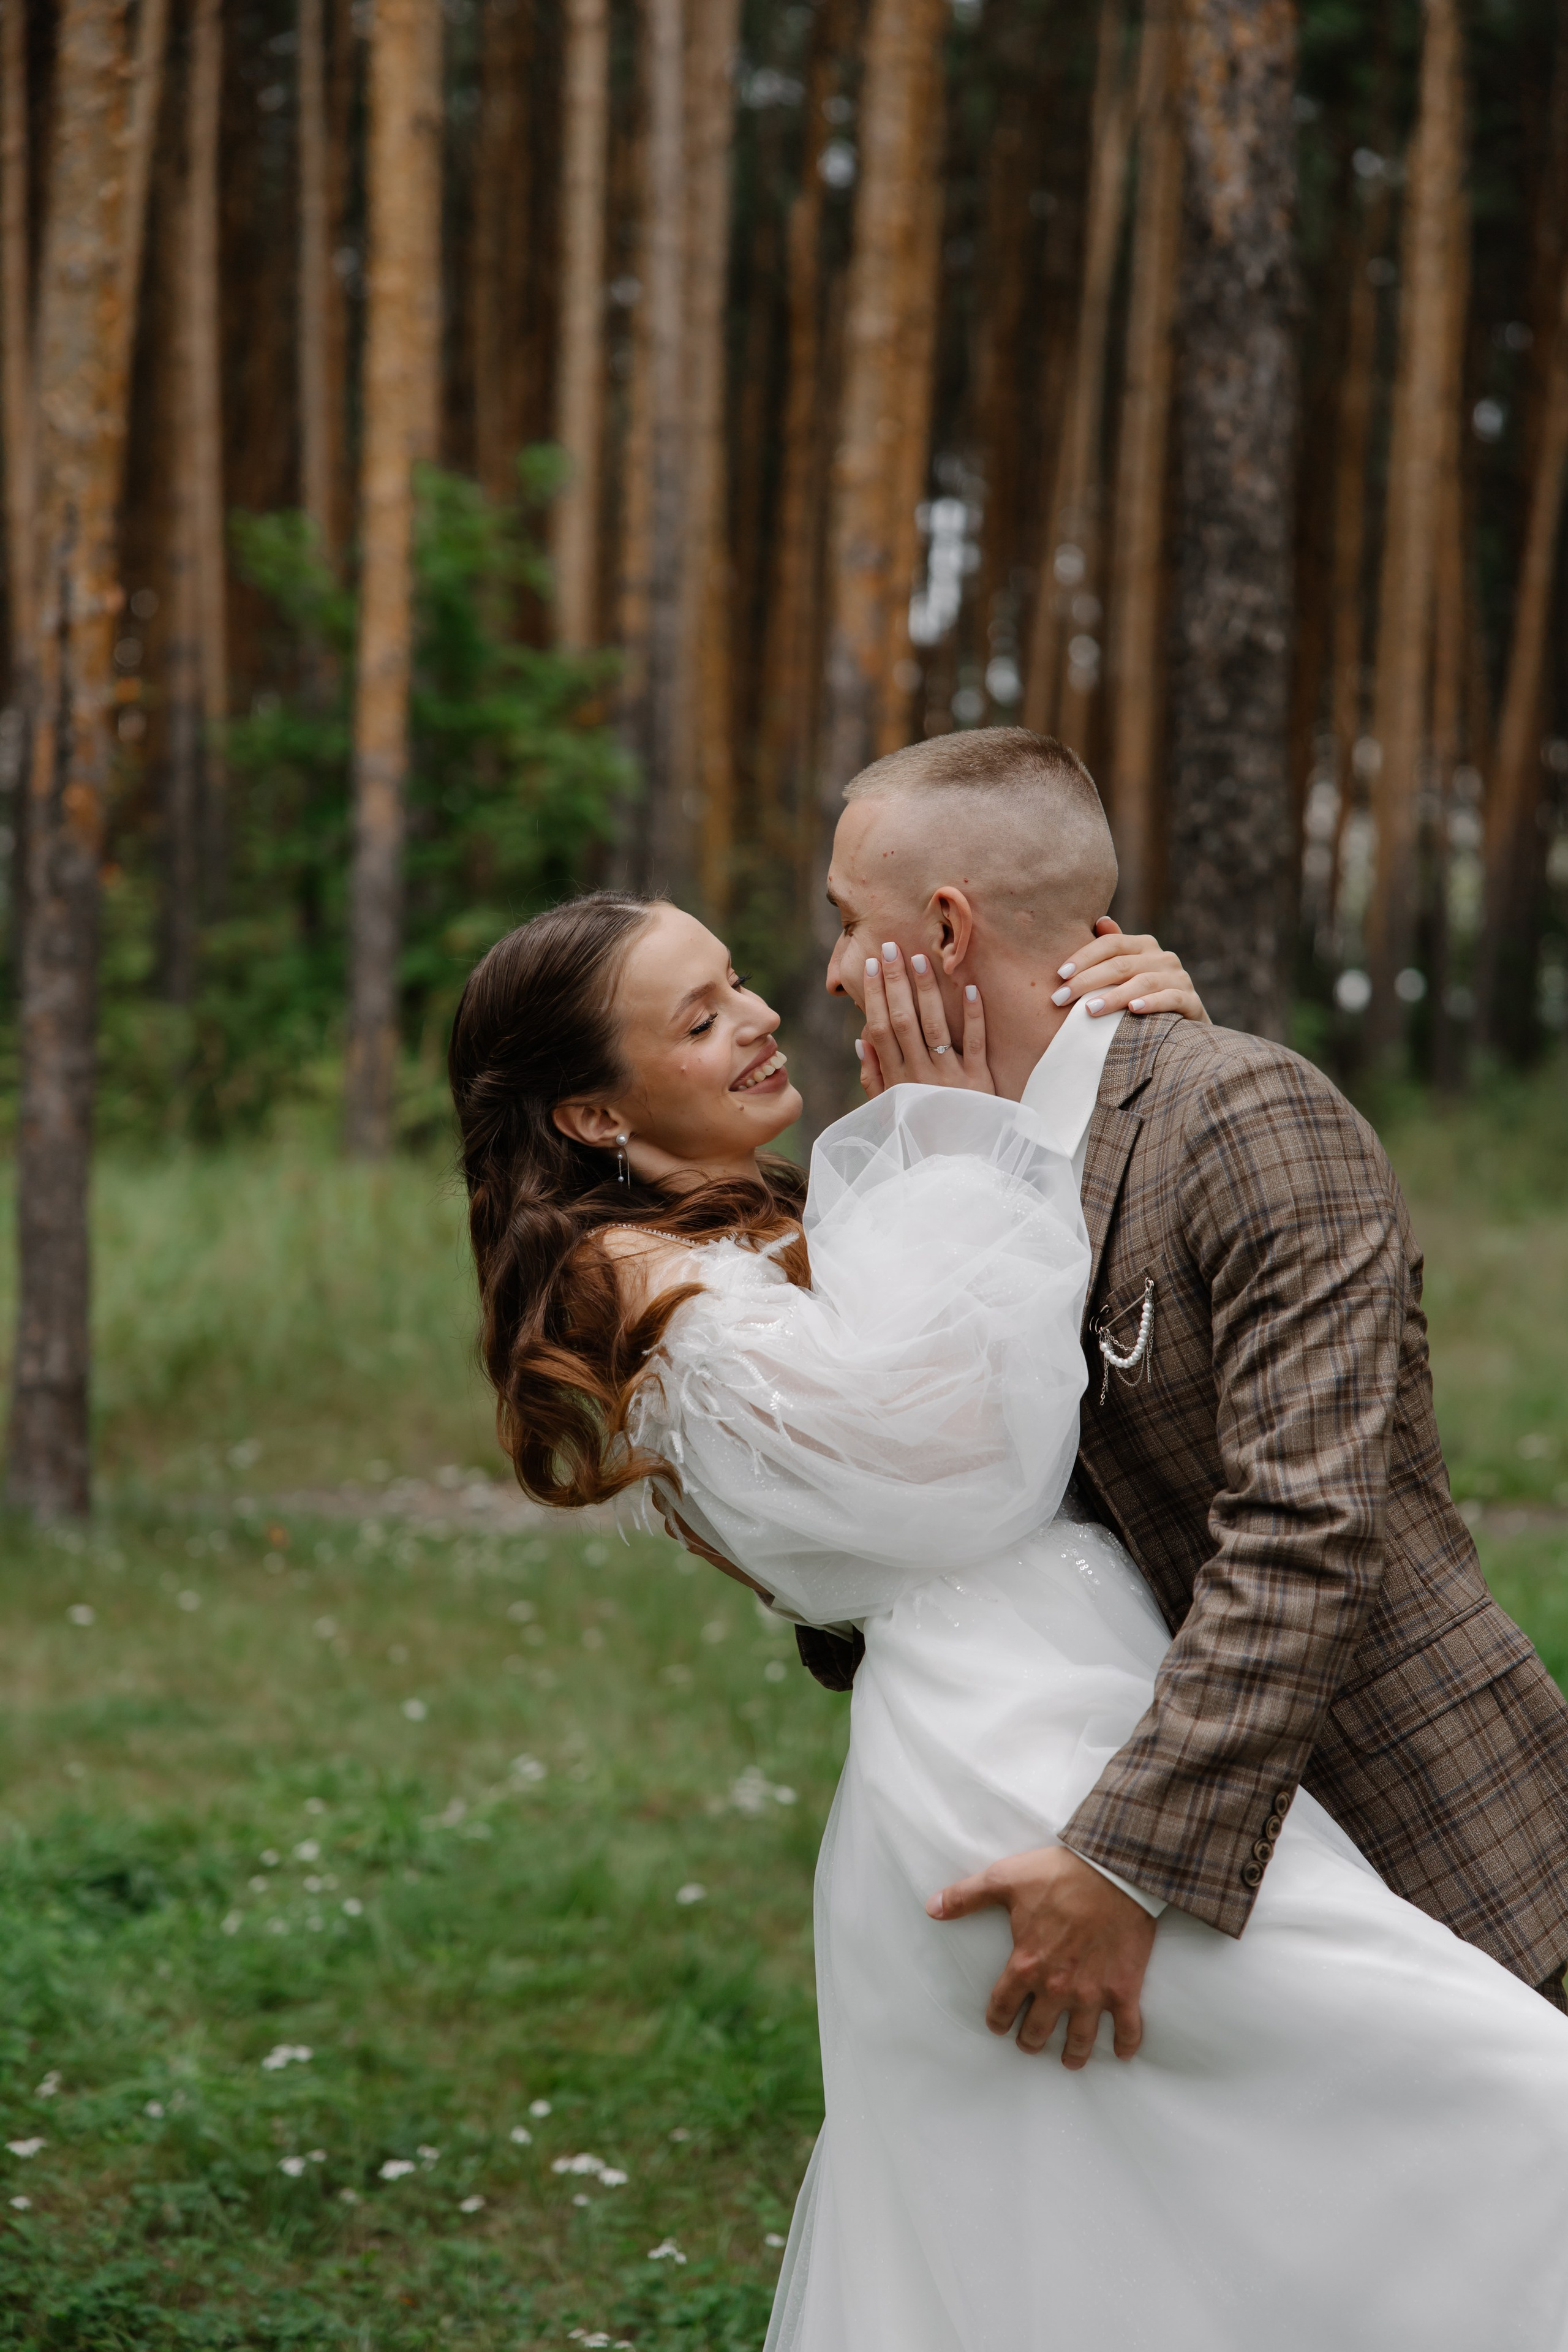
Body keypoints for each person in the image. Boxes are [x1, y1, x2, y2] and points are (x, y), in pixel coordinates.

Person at [447, 790, 1568, 2351]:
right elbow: (974, 1463)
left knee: (1199, 2224)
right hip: (1018, 1774)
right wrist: (968, 1128)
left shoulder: (754, 1222)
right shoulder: (644, 1288)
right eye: (704, 1017)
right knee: (1466, 2132)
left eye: (762, 969)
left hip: (1072, 1731)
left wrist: (1094, 1065)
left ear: (956, 931)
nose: (795, 997)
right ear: (588, 1114)